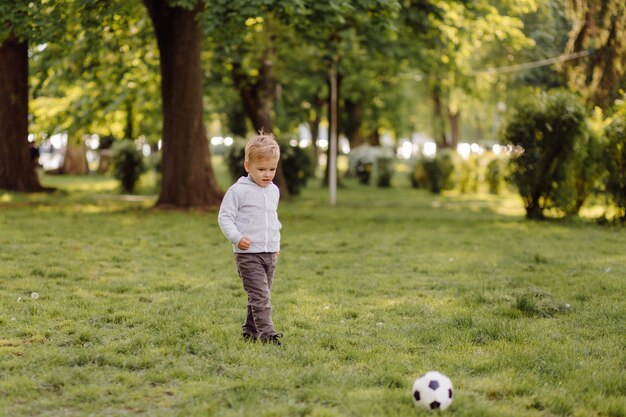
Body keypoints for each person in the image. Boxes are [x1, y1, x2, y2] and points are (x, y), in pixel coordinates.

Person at [218, 133, 283, 346]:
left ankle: (249, 331)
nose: (267, 174)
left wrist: (276, 244)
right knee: (261, 296)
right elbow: (225, 217)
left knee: (259, 295)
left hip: (269, 253)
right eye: (261, 169)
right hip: (248, 255)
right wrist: (236, 238)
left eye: (272, 169)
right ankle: (268, 335)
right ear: (248, 166)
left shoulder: (274, 191)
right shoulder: (238, 191)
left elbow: (272, 220)